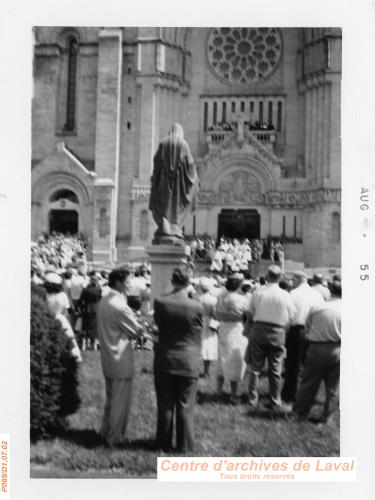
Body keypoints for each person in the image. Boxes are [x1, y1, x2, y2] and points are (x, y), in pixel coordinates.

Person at [153, 268, 204, 452]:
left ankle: (163, 443)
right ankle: (185, 446)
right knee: (185, 404)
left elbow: (158, 323)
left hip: (166, 357)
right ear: (188, 282)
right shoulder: (196, 305)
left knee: (165, 403)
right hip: (188, 358)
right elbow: (198, 328)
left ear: (172, 281)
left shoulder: (160, 301)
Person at [97, 267, 143, 447]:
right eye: (128, 280)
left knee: (111, 399)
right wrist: (144, 324)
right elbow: (136, 331)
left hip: (107, 356)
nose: (130, 283)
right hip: (120, 358)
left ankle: (105, 431)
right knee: (119, 402)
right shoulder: (120, 306)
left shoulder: (105, 300)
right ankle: (114, 438)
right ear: (118, 282)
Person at [247, 265, 296, 411]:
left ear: (267, 276)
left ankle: (252, 398)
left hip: (259, 328)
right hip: (278, 330)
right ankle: (275, 399)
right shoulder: (285, 295)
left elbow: (250, 312)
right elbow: (292, 316)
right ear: (280, 277)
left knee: (255, 366)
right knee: (275, 368)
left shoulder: (258, 292)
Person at [294, 280, 341, 423]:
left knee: (309, 382)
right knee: (334, 386)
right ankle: (327, 417)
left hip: (316, 347)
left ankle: (301, 413)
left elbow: (307, 326)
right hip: (338, 348)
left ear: (330, 290)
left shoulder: (317, 307)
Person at [149, 123, 199, 241]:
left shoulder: (163, 143)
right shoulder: (183, 144)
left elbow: (156, 161)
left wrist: (155, 178)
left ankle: (164, 227)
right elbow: (190, 164)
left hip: (163, 183)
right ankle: (174, 228)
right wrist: (195, 178)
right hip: (178, 186)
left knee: (163, 206)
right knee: (176, 206)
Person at [281, 271, 324, 404]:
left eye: (293, 279)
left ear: (297, 279)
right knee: (310, 367)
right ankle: (308, 395)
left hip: (296, 330)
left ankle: (289, 395)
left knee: (293, 365)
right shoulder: (317, 295)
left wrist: (285, 332)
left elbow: (287, 315)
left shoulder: (293, 294)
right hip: (313, 331)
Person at [216, 273, 248, 404]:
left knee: (222, 358)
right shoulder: (240, 299)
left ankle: (219, 391)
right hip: (236, 329)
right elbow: (246, 315)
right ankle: (233, 394)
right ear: (239, 285)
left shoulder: (220, 297)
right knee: (235, 360)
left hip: (223, 328)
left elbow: (217, 314)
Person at [197, 277, 218, 378]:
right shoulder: (213, 299)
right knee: (209, 345)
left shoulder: (197, 298)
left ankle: (197, 369)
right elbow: (215, 314)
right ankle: (206, 371)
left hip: (199, 321)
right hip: (209, 321)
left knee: (198, 345)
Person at [78, 270, 102, 350]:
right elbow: (101, 300)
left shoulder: (85, 290)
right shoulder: (99, 290)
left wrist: (79, 308)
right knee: (94, 328)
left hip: (87, 309)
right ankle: (94, 345)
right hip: (96, 309)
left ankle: (84, 345)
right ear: (96, 282)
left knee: (85, 327)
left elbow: (80, 300)